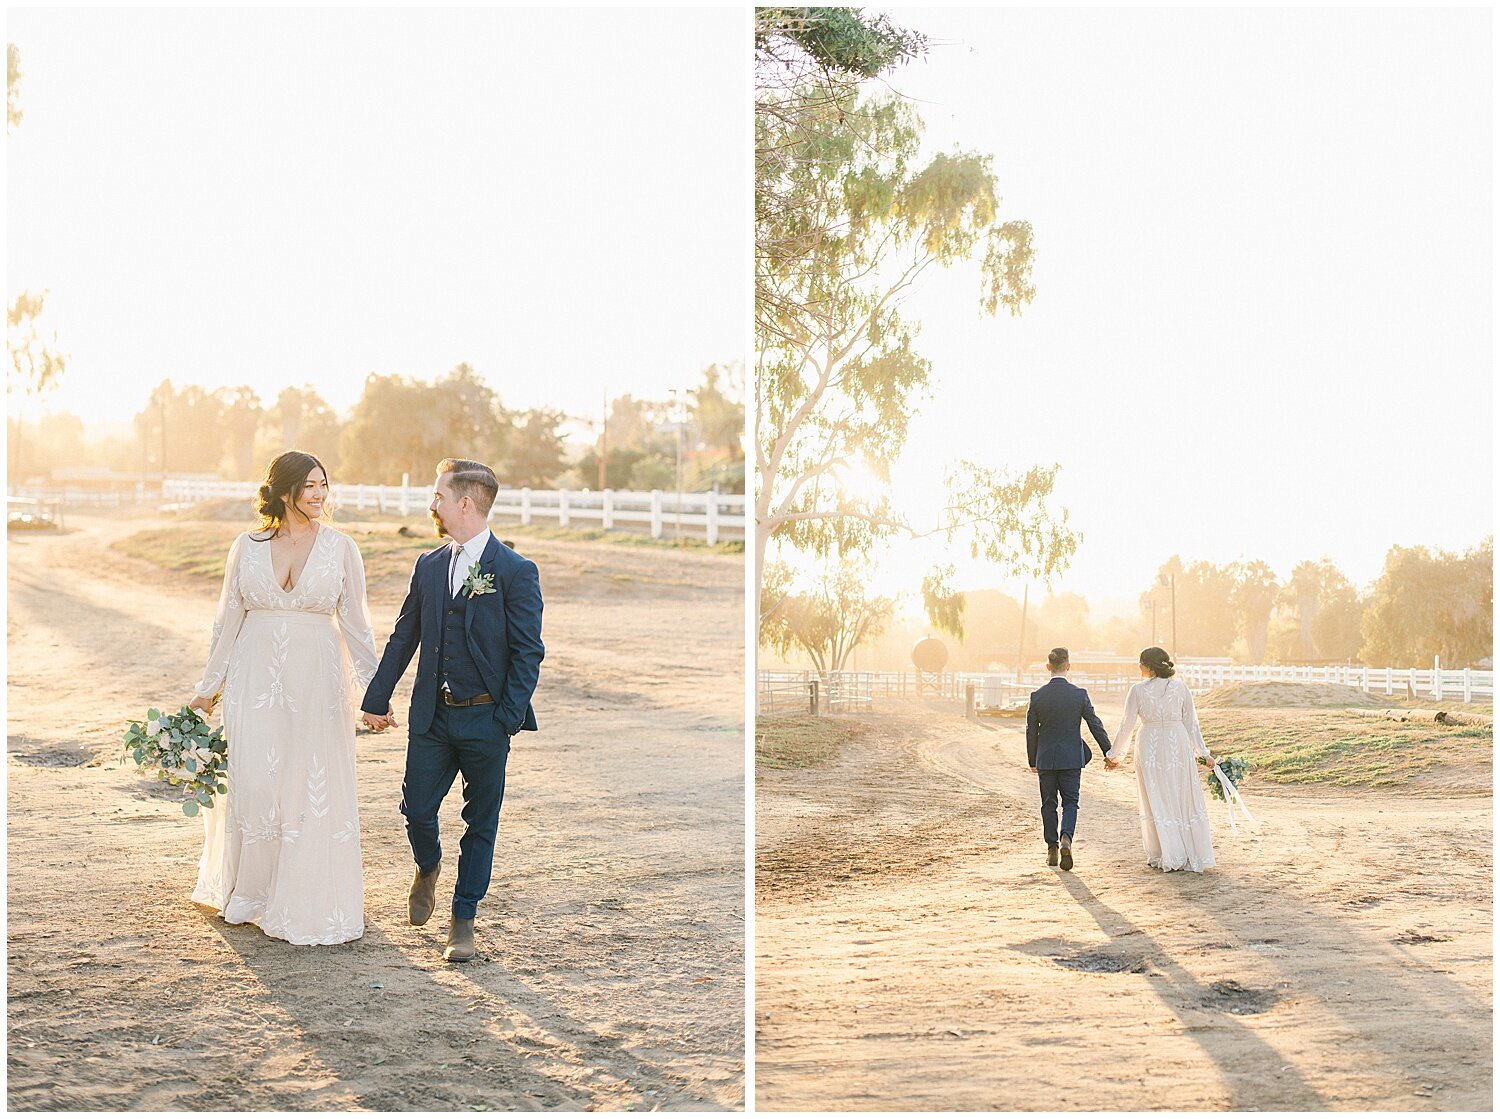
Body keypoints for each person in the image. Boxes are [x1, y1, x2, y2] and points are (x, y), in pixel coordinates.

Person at [188, 450, 378, 944]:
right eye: (310, 486)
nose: (319, 495)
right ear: (284, 489)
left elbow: (358, 627)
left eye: (323, 485)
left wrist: (374, 694)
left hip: (317, 681)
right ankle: (252, 893)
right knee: (254, 781)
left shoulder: (341, 548)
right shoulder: (245, 547)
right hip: (254, 679)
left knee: (307, 783)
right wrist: (208, 689)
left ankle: (301, 897)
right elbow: (227, 621)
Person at [360, 457, 544, 962]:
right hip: (431, 719)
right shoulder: (429, 564)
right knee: (416, 810)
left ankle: (463, 919)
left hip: (487, 720)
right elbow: (405, 637)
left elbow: (529, 652)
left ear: (465, 503)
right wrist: (377, 698)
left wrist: (506, 718)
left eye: (438, 495)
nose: (431, 504)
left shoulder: (515, 571)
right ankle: (428, 865)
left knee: (481, 822)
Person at [1103, 646, 1217, 872]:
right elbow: (1191, 723)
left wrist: (1114, 756)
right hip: (1178, 742)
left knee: (1156, 796)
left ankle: (1166, 852)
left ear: (1147, 666)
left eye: (1140, 662)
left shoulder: (1137, 690)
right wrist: (1202, 753)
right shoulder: (1181, 688)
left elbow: (1126, 725)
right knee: (1180, 794)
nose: (1138, 666)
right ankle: (1184, 852)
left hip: (1150, 745)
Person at [1025, 647, 1112, 870]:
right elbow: (1095, 725)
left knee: (1048, 803)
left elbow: (1031, 731)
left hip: (1046, 759)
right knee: (1071, 802)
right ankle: (1066, 838)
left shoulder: (1037, 696)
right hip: (1072, 758)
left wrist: (1032, 760)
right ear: (1068, 666)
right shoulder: (1079, 694)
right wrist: (1109, 753)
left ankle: (1052, 849)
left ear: (1048, 667)